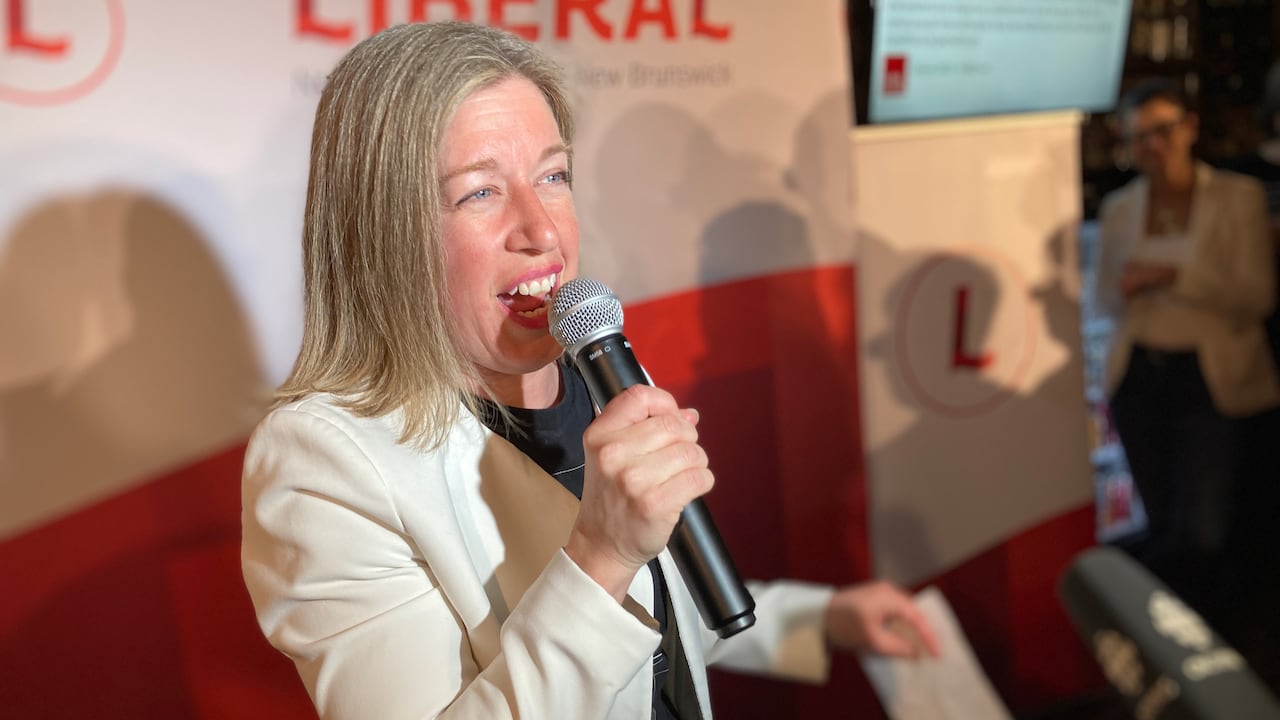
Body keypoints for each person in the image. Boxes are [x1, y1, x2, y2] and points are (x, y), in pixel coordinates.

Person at [240, 20, 938, 719]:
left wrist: (823, 619)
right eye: (480, 192)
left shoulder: (597, 369)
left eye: (553, 176)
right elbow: (603, 592)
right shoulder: (322, 462)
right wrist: (601, 554)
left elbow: (655, 615)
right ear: (383, 233)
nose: (543, 230)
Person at [1095, 79, 1280, 623]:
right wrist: (1130, 286)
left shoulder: (1238, 196)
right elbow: (1104, 299)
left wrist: (1173, 277)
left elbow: (1256, 296)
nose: (1152, 145)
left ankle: (1183, 627)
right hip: (1138, 377)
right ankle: (1179, 631)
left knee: (1202, 531)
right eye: (1139, 136)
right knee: (1161, 520)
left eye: (1163, 130)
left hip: (1208, 378)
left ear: (1190, 128)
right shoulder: (1119, 207)